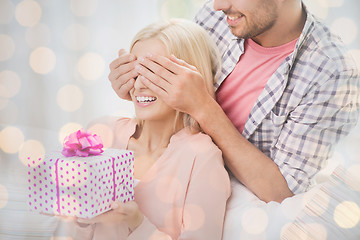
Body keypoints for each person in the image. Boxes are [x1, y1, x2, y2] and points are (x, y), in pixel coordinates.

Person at [108, 0, 360, 204]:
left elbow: (283, 193)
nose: (217, 5)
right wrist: (139, 85)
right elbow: (176, 107)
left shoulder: (333, 72)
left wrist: (204, 107)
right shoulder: (218, 15)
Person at [75, 18, 230, 240]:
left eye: (154, 73)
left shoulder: (201, 158)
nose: (139, 85)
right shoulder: (101, 133)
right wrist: (79, 216)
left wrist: (138, 221)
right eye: (135, 71)